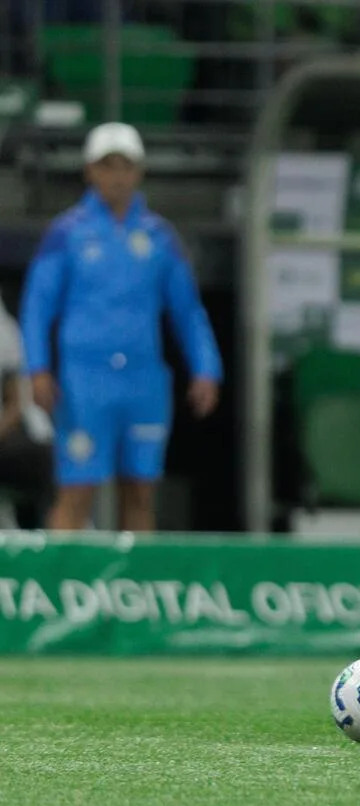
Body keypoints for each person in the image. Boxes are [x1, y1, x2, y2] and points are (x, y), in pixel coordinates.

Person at [20, 122, 223, 532]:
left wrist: (206, 367)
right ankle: (60, 587)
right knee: (77, 488)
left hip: (143, 378)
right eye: (107, 165)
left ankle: (135, 589)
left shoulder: (159, 237)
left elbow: (187, 310)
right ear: (89, 172)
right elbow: (37, 306)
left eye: (125, 166)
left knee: (141, 490)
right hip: (83, 380)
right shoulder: (66, 233)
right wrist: (38, 369)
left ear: (139, 172)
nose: (116, 176)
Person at [0, 305, 53, 527]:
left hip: (3, 437)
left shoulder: (3, 326)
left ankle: (35, 543)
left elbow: (16, 400)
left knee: (47, 460)